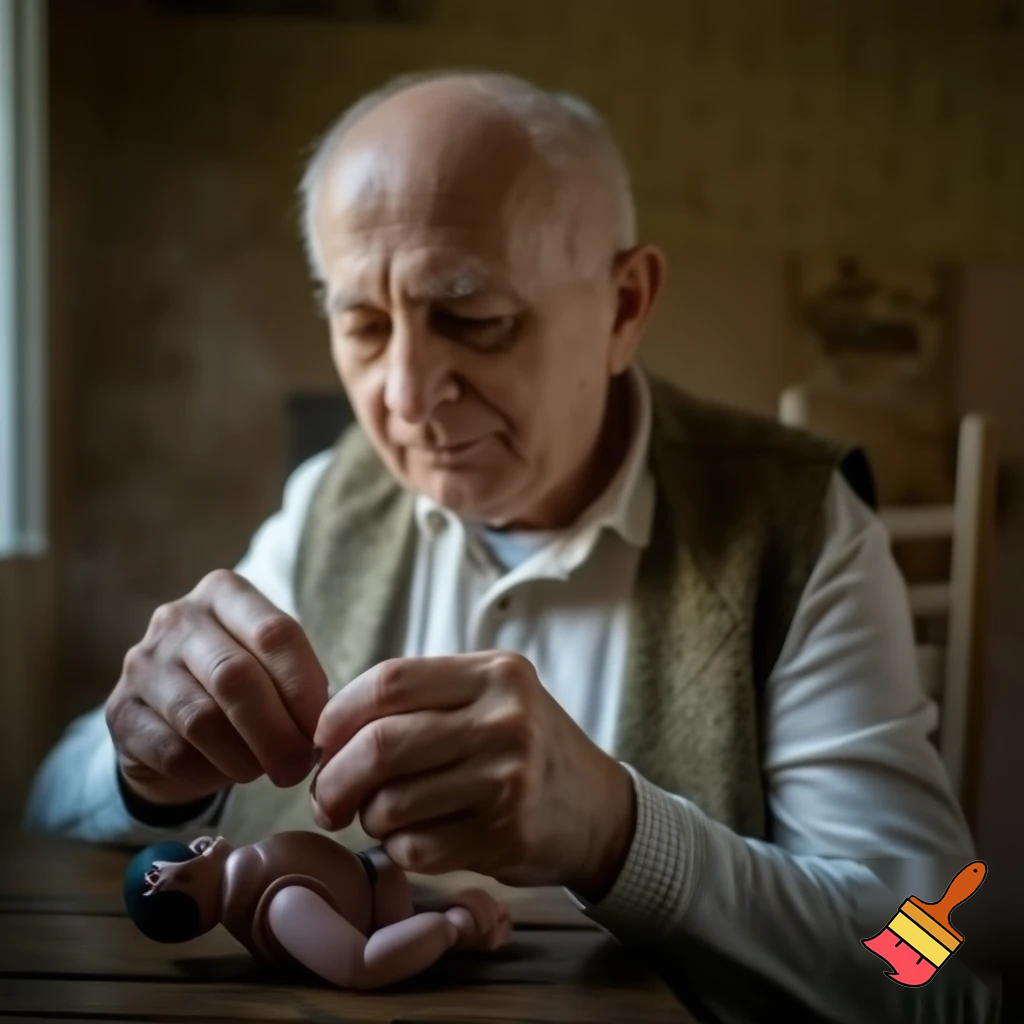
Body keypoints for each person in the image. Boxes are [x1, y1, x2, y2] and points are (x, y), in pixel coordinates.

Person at [25, 71, 997, 1022]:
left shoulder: (802, 524)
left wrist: (621, 835)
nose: (404, 396)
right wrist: (142, 771)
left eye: (473, 319)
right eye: (362, 324)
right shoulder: (334, 498)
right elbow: (44, 807)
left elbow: (932, 966)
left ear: (624, 306)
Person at [123, 832, 510, 987]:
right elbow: (362, 964)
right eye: (193, 853)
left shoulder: (259, 877)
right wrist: (448, 927)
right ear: (181, 882)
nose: (206, 842)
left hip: (380, 890)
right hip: (382, 920)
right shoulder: (282, 905)